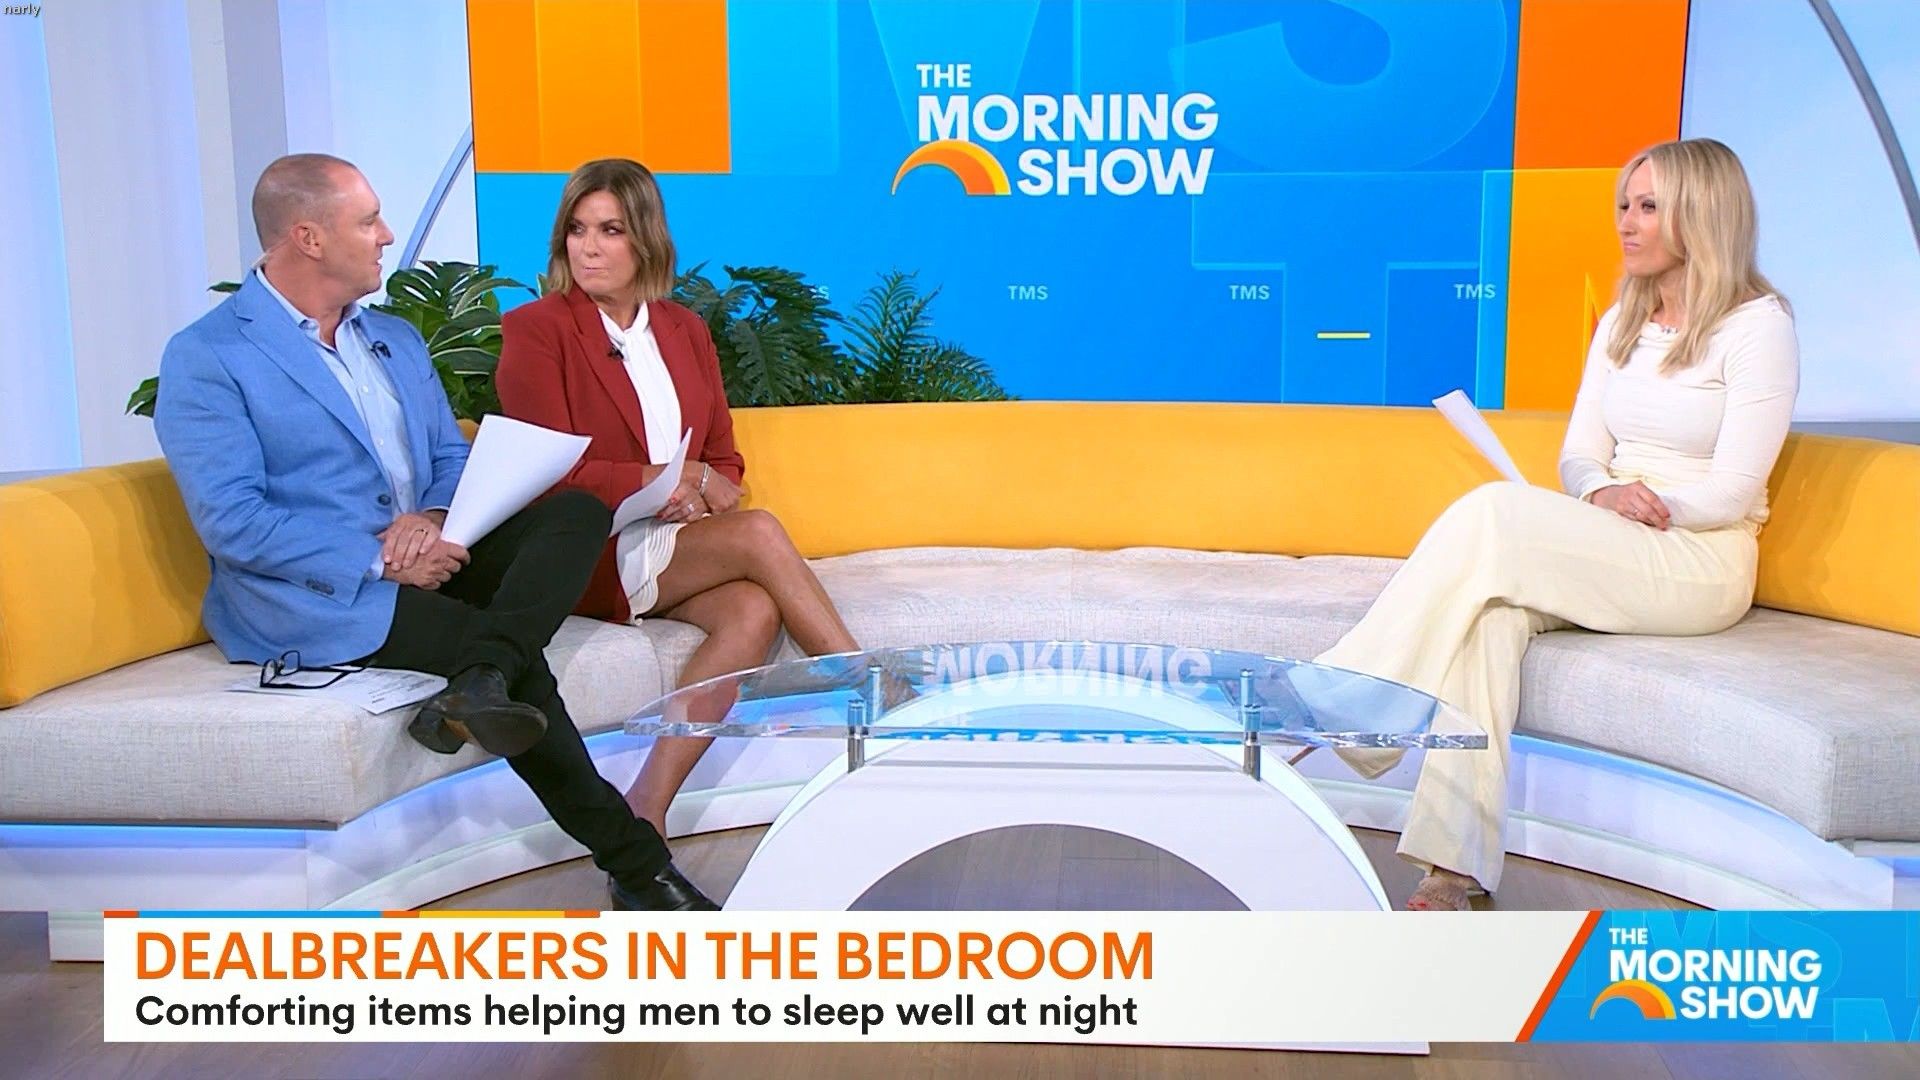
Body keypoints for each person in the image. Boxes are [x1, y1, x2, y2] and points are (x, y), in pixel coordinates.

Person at [154, 153, 715, 912]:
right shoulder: (210, 356)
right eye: (368, 221)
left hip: (431, 550)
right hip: (322, 593)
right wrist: (378, 559)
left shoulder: (392, 338)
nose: (388, 235)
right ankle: (639, 867)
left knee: (575, 514)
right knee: (515, 664)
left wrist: (437, 520)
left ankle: (479, 678)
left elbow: (450, 458)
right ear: (309, 237)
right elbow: (233, 520)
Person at [1312, 138, 1799, 910]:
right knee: (1490, 618)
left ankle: (1345, 699)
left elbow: (1736, 491)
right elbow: (1579, 456)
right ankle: (1453, 867)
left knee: (1494, 509)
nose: (1626, 223)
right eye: (1624, 205)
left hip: (1699, 555)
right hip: (1617, 534)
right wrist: (1604, 493)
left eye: (1648, 207)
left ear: (1702, 214)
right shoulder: (1622, 321)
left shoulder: (1757, 327)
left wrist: (1654, 505)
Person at [497, 158, 886, 839]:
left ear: (645, 238)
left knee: (753, 609)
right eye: (577, 230)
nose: (589, 248)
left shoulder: (684, 331)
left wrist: (697, 489)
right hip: (586, 547)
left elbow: (723, 461)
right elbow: (548, 475)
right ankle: (871, 699)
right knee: (758, 532)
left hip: (671, 541)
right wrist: (662, 480)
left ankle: (644, 810)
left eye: (610, 230)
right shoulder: (538, 329)